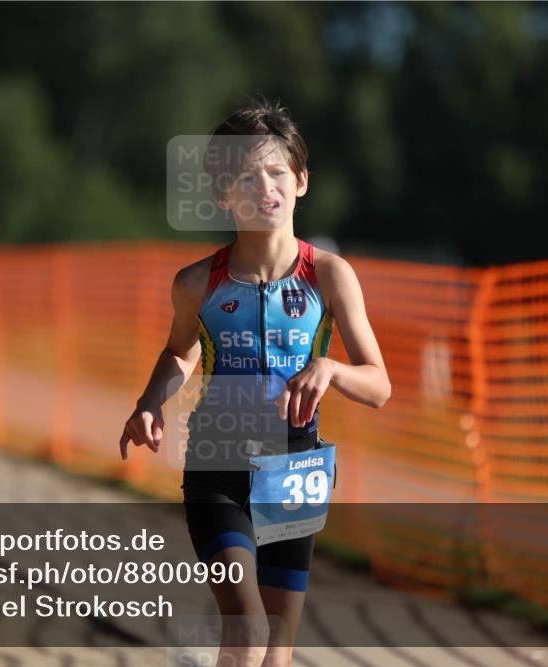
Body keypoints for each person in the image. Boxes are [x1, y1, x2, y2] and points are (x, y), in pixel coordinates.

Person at [119, 98, 391, 667]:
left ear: (301, 181)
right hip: (217, 466)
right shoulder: (197, 284)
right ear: (223, 193)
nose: (264, 188)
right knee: (248, 628)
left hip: (295, 468)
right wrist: (149, 402)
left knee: (276, 650)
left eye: (276, 173)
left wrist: (331, 369)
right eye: (246, 177)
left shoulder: (330, 276)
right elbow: (180, 352)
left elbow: (379, 385)